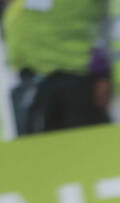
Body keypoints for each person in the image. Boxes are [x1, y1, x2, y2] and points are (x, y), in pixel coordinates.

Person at [3, 0, 111, 135]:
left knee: (85, 141)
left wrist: (102, 73)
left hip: (73, 76)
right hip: (34, 78)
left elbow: (103, 27)